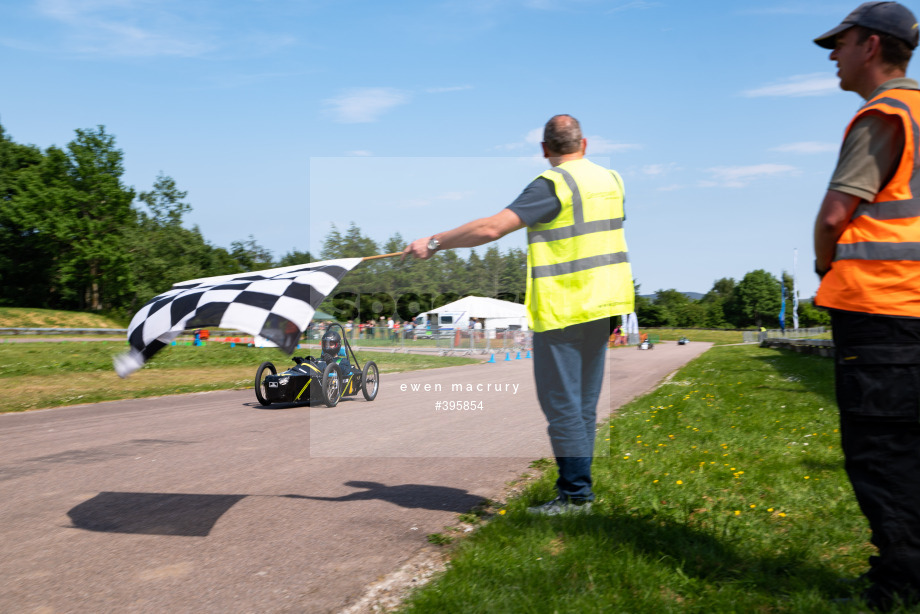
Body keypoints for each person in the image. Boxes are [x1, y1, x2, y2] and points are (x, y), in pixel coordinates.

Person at [404, 114, 634, 515]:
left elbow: (492, 228)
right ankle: (579, 493)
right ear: (585, 144)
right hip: (604, 304)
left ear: (545, 150)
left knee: (563, 406)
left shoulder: (553, 184)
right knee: (583, 404)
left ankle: (576, 497)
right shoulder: (612, 181)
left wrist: (435, 242)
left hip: (564, 306)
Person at [812, 3, 920, 610]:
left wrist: (826, 265)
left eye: (841, 42)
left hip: (883, 308)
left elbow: (834, 217)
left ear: (871, 46)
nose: (833, 54)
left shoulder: (883, 114)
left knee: (884, 450)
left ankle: (902, 583)